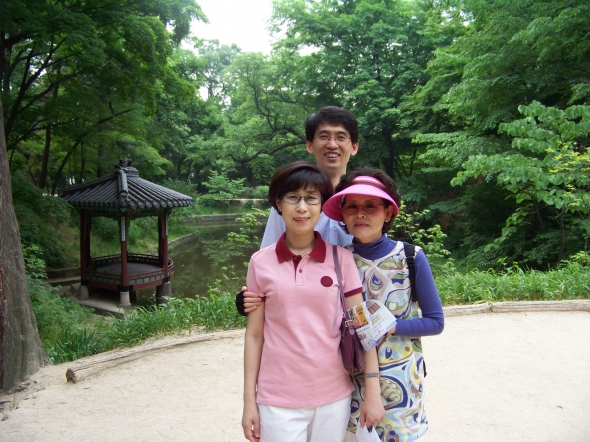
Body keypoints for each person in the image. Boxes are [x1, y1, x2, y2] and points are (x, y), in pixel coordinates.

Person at [241, 162, 384, 442]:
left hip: (334, 395)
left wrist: (373, 391)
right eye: (292, 198)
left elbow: (362, 327)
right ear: (278, 204)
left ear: (321, 206)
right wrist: (249, 402)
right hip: (277, 398)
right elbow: (254, 335)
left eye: (311, 198)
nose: (302, 207)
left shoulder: (342, 259)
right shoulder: (260, 263)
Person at [321, 168, 445, 442]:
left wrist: (390, 326)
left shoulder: (411, 257)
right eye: (352, 206)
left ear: (388, 213)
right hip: (350, 379)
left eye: (370, 206)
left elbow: (436, 322)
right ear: (342, 214)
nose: (360, 214)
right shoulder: (336, 261)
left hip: (402, 378)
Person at [237, 106, 359, 315]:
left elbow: (379, 252)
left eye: (341, 137)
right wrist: (250, 298)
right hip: (303, 314)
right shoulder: (288, 204)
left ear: (354, 146)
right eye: (324, 136)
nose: (332, 144)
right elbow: (268, 262)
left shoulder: (363, 200)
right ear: (310, 145)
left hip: (357, 306)